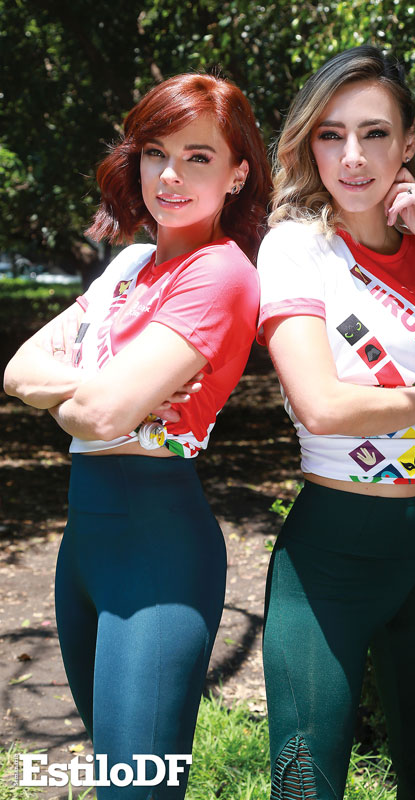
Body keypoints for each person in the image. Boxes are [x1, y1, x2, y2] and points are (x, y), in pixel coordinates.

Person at [256, 45, 415, 800]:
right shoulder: (296, 248)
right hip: (328, 564)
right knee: (303, 786)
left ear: (407, 145)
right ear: (309, 144)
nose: (352, 156)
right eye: (331, 134)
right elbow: (323, 406)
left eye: (374, 133)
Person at [4, 72, 270, 799]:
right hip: (83, 548)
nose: (170, 175)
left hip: (158, 553)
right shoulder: (127, 265)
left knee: (136, 790)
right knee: (112, 781)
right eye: (156, 153)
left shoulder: (222, 273)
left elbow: (94, 418)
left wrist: (87, 393)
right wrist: (104, 388)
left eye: (197, 156)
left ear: (237, 172)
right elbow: (18, 369)